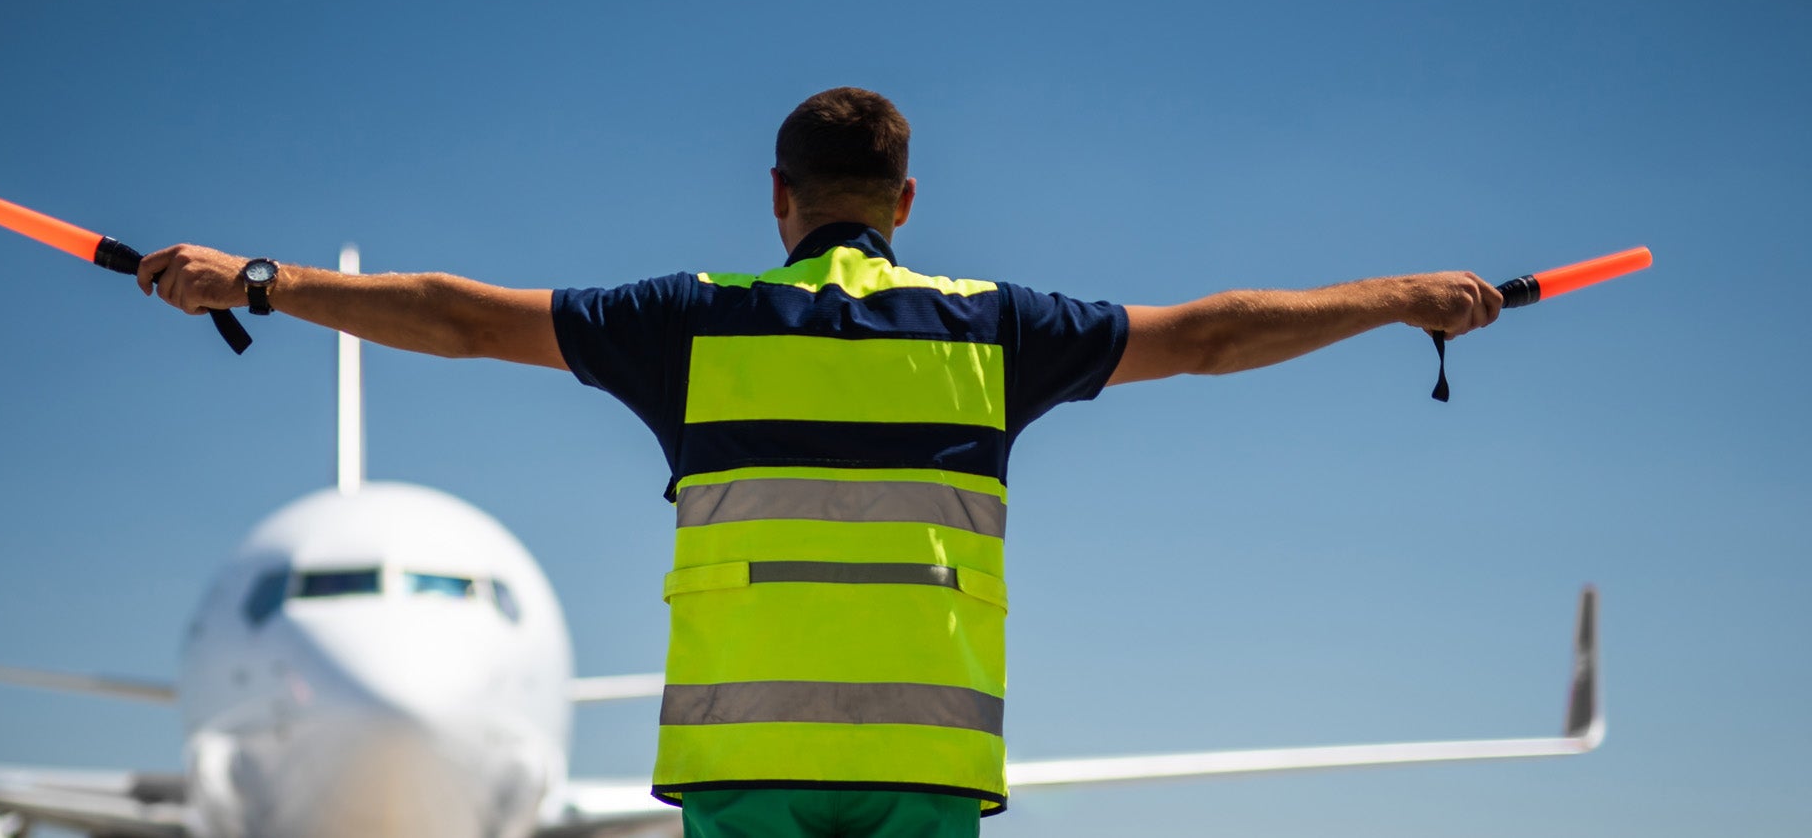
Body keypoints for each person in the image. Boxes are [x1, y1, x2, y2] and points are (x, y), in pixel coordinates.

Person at [135, 87, 1503, 837]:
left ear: (777, 199)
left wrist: (266, 281)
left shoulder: (691, 326)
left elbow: (457, 317)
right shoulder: (994, 335)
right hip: (923, 772)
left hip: (749, 774)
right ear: (907, 203)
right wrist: (1394, 297)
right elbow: (1207, 340)